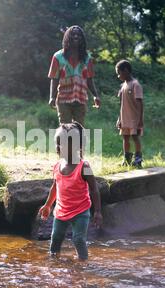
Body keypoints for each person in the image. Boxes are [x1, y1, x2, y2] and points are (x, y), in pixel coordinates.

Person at [38, 121, 103, 261]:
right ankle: (54, 262)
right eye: (57, 143)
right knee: (55, 238)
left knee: (78, 239)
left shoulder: (83, 166)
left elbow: (94, 189)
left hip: (81, 211)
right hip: (61, 211)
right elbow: (55, 187)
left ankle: (83, 263)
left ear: (75, 146)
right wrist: (48, 205)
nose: (57, 147)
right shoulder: (57, 166)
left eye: (60, 144)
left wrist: (97, 211)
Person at [48, 25, 101, 127]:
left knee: (78, 131)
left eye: (78, 35)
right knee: (65, 130)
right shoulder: (58, 57)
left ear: (82, 38)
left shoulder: (87, 58)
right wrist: (52, 97)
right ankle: (63, 143)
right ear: (68, 37)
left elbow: (89, 79)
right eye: (73, 34)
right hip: (63, 99)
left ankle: (76, 144)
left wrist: (95, 95)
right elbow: (54, 78)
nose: (76, 36)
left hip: (81, 99)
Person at [115, 60, 144, 168]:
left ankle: (138, 159)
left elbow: (140, 103)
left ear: (126, 71)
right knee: (125, 137)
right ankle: (127, 159)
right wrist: (119, 118)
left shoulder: (135, 85)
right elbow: (121, 103)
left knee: (135, 137)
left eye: (119, 73)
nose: (118, 76)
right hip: (124, 118)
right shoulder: (123, 86)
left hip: (134, 118)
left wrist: (140, 119)